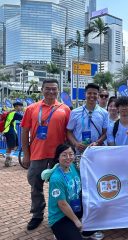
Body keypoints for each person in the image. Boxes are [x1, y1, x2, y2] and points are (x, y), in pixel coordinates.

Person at [21, 79, 71, 231]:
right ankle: (37, 214)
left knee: (62, 186)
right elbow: (24, 132)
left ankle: (62, 214)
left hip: (59, 157)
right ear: (42, 90)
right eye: (47, 89)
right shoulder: (32, 108)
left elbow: (68, 133)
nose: (51, 92)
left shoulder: (65, 109)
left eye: (54, 89)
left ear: (58, 90)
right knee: (36, 186)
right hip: (37, 154)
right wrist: (26, 154)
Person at [45, 144, 104, 240]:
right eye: (64, 155)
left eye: (71, 154)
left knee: (99, 205)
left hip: (75, 208)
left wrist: (91, 148)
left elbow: (86, 160)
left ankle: (84, 232)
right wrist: (76, 221)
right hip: (60, 216)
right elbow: (62, 204)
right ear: (57, 157)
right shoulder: (56, 178)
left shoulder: (72, 167)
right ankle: (62, 232)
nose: (68, 157)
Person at [67, 83, 108, 154]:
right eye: (89, 93)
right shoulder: (75, 112)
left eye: (95, 93)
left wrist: (97, 143)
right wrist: (76, 144)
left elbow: (105, 133)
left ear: (98, 95)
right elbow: (69, 132)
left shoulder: (104, 113)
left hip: (96, 151)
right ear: (85, 94)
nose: (92, 96)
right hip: (79, 152)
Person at [3, 102, 23, 167]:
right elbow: (24, 118)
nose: (21, 108)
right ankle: (8, 161)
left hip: (9, 131)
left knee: (12, 146)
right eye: (20, 106)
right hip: (10, 131)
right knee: (12, 146)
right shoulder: (14, 113)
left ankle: (8, 160)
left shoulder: (11, 112)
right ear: (16, 107)